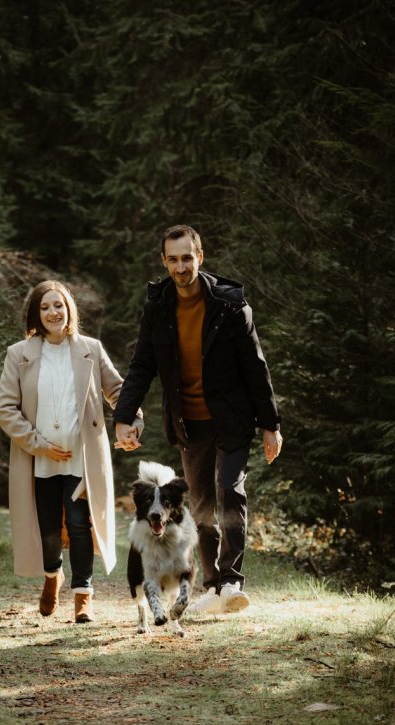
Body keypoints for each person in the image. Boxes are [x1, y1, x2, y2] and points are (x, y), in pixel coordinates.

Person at [114, 225, 282, 614]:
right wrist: (124, 416)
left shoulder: (230, 306)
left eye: (187, 258)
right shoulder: (157, 309)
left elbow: (256, 369)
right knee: (203, 506)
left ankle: (232, 581)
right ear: (164, 262)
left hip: (232, 419)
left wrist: (271, 425)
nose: (180, 266)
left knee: (230, 490)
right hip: (189, 424)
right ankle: (213, 586)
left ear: (200, 257)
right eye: (172, 259)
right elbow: (141, 367)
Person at [0, 280, 142, 623]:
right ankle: (52, 577)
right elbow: (4, 407)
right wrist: (38, 444)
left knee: (79, 525)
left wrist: (132, 421)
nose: (53, 312)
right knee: (47, 528)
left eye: (58, 305)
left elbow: (119, 391)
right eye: (45, 307)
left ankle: (83, 596)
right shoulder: (20, 354)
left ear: (69, 309)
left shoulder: (90, 348)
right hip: (39, 457)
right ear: (36, 314)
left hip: (81, 456)